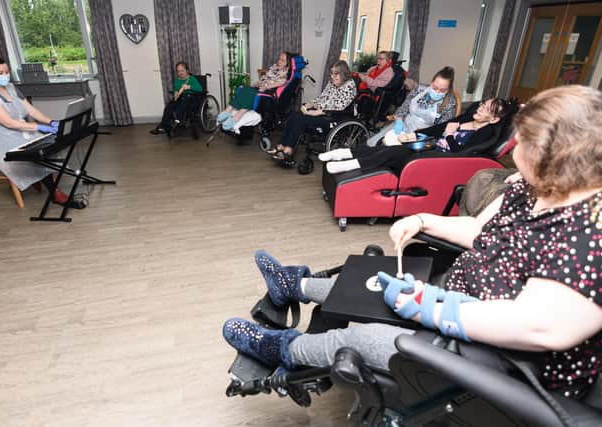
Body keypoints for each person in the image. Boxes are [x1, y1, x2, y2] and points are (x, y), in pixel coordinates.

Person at [223, 85, 602, 400]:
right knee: (369, 280)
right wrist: (423, 220)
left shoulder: (589, 234)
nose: (513, 146)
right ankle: (294, 284)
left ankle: (283, 349)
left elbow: (540, 328)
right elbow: (479, 232)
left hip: (499, 362)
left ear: (553, 155)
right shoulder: (531, 188)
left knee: (360, 338)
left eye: (524, 141)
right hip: (459, 299)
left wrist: (430, 308)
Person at [0, 55, 84, 209]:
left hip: (20, 129)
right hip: (0, 135)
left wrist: (50, 122)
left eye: (7, 71)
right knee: (34, 153)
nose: (5, 75)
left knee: (50, 144)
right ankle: (56, 194)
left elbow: (30, 109)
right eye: (0, 73)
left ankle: (42, 180)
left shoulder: (11, 87)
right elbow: (7, 122)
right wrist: (39, 127)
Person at [320, 97, 517, 174]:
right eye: (483, 104)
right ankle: (343, 153)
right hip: (429, 148)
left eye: (486, 109)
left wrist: (449, 136)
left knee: (393, 153)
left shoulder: (484, 134)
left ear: (494, 119)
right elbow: (434, 131)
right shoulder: (465, 119)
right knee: (384, 147)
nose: (480, 108)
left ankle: (346, 164)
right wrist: (413, 135)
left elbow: (460, 153)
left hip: (440, 161)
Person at [267, 60, 357, 162]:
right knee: (294, 115)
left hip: (336, 117)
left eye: (336, 74)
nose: (332, 76)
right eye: (331, 73)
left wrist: (316, 112)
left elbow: (339, 106)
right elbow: (322, 98)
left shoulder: (349, 85)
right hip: (323, 112)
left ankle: (288, 150)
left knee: (300, 119)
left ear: (343, 73)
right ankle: (282, 145)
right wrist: (310, 104)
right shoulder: (332, 83)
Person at [366, 66, 457, 148]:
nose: (437, 92)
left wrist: (421, 133)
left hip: (422, 136)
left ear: (448, 90)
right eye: (435, 87)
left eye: (442, 90)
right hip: (403, 125)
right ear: (431, 82)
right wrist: (398, 119)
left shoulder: (450, 102)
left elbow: (441, 128)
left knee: (391, 152)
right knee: (375, 144)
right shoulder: (420, 90)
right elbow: (404, 107)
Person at [216, 52, 292, 131]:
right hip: (259, 87)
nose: (279, 61)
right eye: (279, 59)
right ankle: (228, 110)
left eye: (283, 60)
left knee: (251, 93)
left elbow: (280, 82)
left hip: (267, 93)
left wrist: (266, 87)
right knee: (244, 88)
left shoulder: (284, 73)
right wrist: (255, 84)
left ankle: (235, 117)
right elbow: (263, 78)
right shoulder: (274, 68)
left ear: (287, 63)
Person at [150, 61, 203, 135]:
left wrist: (189, 87)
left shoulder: (192, 79)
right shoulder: (177, 80)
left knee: (182, 105)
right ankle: (162, 126)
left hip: (190, 97)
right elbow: (176, 89)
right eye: (178, 71)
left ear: (187, 70)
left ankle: (175, 121)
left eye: (182, 70)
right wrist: (175, 93)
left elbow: (200, 89)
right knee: (168, 107)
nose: (180, 73)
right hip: (180, 97)